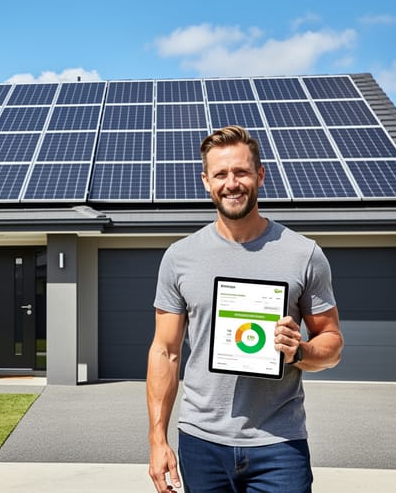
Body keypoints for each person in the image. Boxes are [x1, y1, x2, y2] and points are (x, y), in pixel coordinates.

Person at [146, 125, 344, 493]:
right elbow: (165, 351)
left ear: (260, 175)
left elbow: (331, 343)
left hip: (279, 444)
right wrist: (158, 440)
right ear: (206, 181)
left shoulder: (303, 254)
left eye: (241, 172)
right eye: (220, 174)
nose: (231, 183)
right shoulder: (179, 257)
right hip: (200, 442)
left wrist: (299, 351)